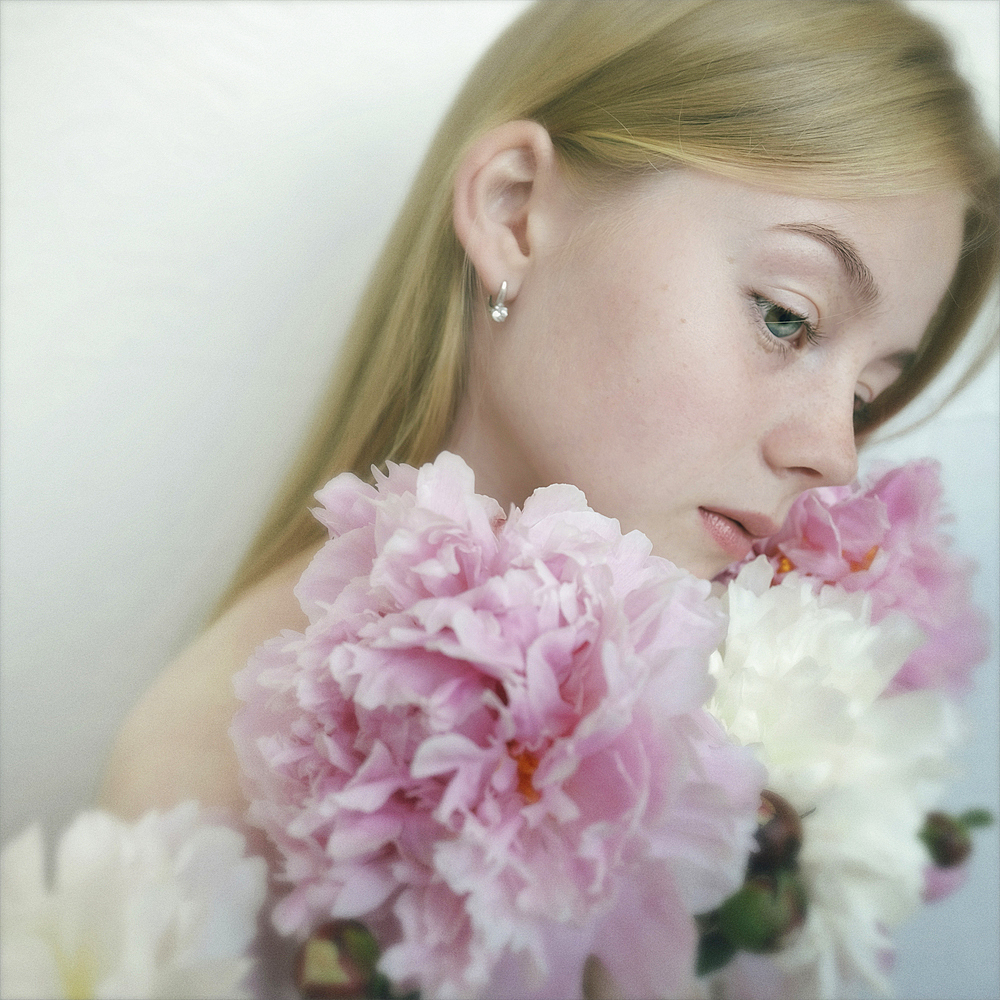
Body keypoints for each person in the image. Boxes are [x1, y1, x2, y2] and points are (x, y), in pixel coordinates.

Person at [92, 0, 996, 993]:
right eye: (785, 316)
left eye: (867, 395)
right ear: (515, 210)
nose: (835, 453)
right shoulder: (217, 787)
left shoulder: (751, 712)